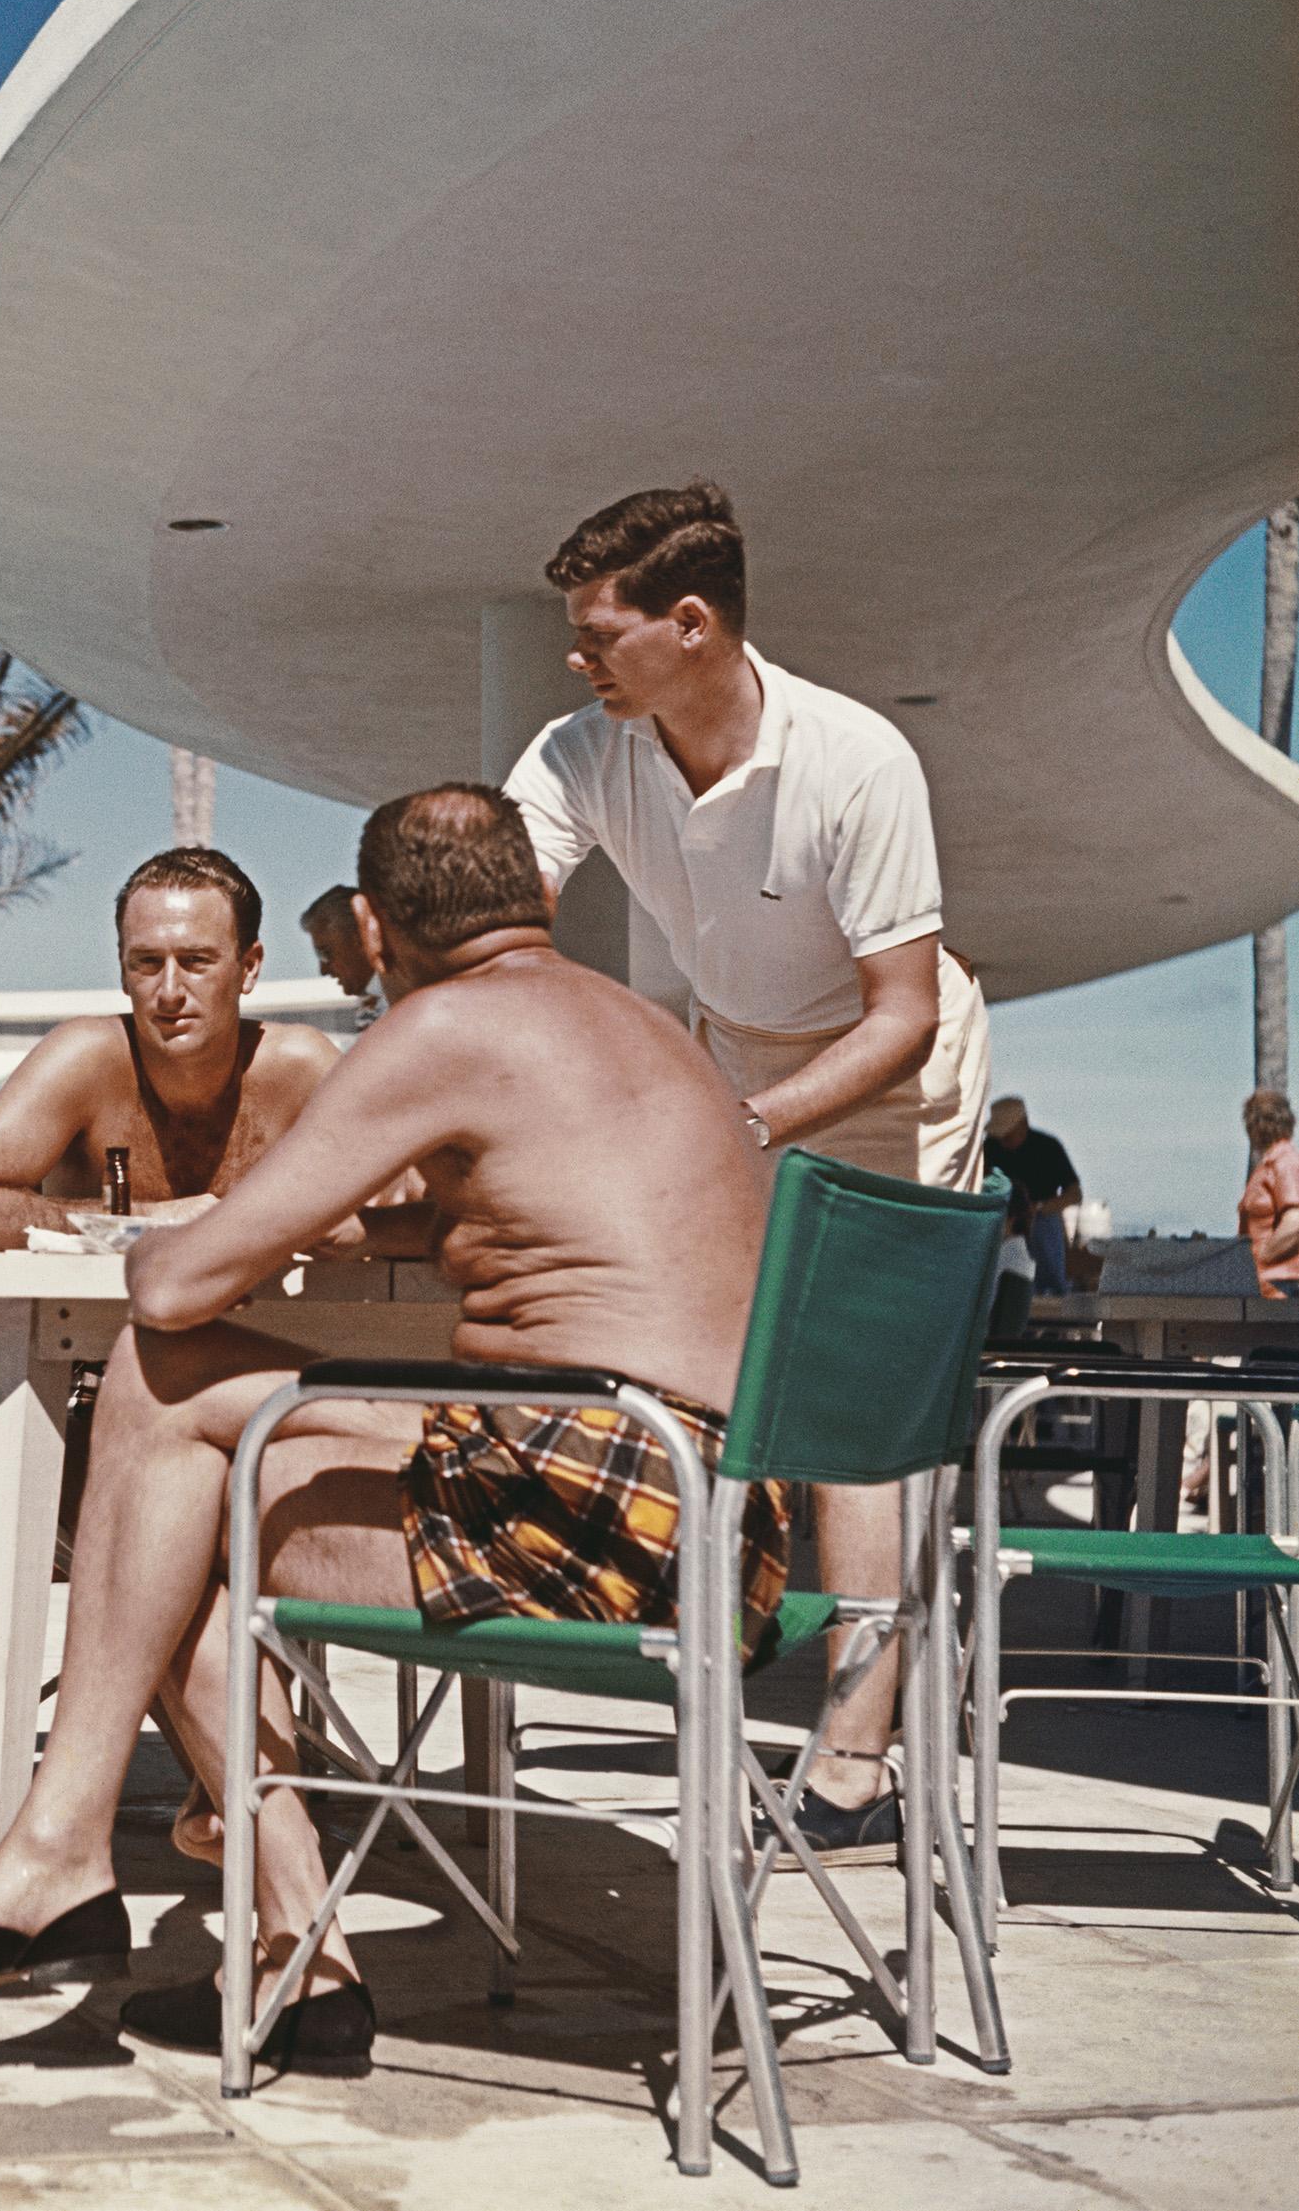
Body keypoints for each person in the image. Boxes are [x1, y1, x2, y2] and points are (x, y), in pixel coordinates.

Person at [0, 788, 787, 2063]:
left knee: (162, 1402)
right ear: (540, 902)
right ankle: (298, 1957)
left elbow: (170, 1289)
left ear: (372, 932)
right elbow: (510, 1225)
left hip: (592, 1525)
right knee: (167, 1527)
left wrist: (213, 1221)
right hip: (729, 1520)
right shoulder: (645, 1029)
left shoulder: (437, 1030)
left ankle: (62, 1853)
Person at [501, 479, 990, 1863]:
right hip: (733, 1051)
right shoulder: (585, 749)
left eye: (600, 632)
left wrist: (754, 1123)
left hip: (893, 1066)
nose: (577, 658)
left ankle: (853, 1758)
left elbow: (899, 1013)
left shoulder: (857, 760)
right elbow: (498, 921)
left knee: (847, 1403)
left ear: (692, 625)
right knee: (693, 1354)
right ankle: (709, 1636)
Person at [0, 847, 341, 1250]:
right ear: (123, 971)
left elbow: (402, 1208)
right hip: (96, 1324)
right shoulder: (85, 1059)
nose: (170, 991)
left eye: (196, 961)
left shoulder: (298, 1068)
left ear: (248, 968)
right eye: (147, 963)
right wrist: (154, 1219)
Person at [983, 1097, 1081, 1295]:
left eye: (1008, 1135)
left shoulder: (1048, 1147)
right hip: (1001, 1219)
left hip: (1042, 1220)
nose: (1003, 1140)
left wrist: (1040, 1208)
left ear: (1023, 1125)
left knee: (1045, 1232)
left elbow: (1074, 1194)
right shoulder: (991, 1147)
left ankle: (1051, 1294)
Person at [1239, 1090, 1299, 1296]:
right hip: (1263, 1288)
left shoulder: (1284, 1163)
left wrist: (1261, 1257)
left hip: (1280, 1288)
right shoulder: (1268, 1164)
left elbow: (1295, 1223)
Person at [299, 885, 382, 1026]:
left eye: (325, 953)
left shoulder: (403, 1004)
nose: (323, 970)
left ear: (361, 939)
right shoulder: (374, 1003)